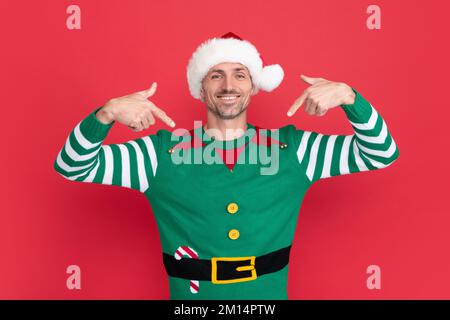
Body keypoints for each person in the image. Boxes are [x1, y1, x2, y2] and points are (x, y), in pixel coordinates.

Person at [54, 32, 399, 299]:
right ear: (200, 89)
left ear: (253, 88)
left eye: (240, 75)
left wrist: (351, 99)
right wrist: (106, 114)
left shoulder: (294, 149)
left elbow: (380, 152)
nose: (229, 86)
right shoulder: (159, 153)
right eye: (215, 76)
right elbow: (73, 165)